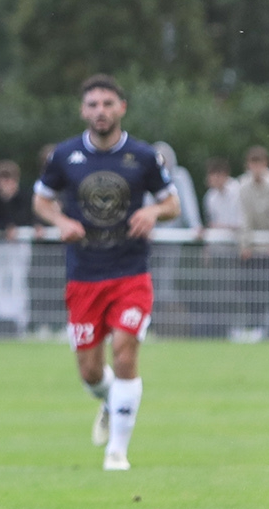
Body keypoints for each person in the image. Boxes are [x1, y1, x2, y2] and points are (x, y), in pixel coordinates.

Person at [32, 74, 178, 471]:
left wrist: (151, 210)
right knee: (91, 371)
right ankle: (110, 399)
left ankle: (117, 452)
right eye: (93, 104)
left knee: (126, 353)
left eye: (107, 104)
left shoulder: (144, 157)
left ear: (121, 108)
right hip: (83, 275)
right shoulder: (64, 156)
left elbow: (173, 204)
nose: (100, 111)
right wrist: (60, 221)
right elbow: (41, 201)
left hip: (131, 271)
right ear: (83, 110)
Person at [0, 159, 35, 335]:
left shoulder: (24, 196)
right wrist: (6, 227)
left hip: (18, 248)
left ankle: (19, 323)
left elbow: (28, 217)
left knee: (17, 282)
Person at [236, 146, 269, 338]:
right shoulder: (243, 185)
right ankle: (254, 328)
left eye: (259, 164)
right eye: (252, 164)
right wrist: (245, 245)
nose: (256, 168)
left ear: (266, 164)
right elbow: (244, 217)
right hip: (255, 248)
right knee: (250, 289)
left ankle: (268, 329)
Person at [202, 158, 243, 231]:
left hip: (239, 238)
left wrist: (219, 226)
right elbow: (212, 221)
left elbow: (240, 223)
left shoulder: (238, 190)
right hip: (219, 238)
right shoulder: (210, 196)